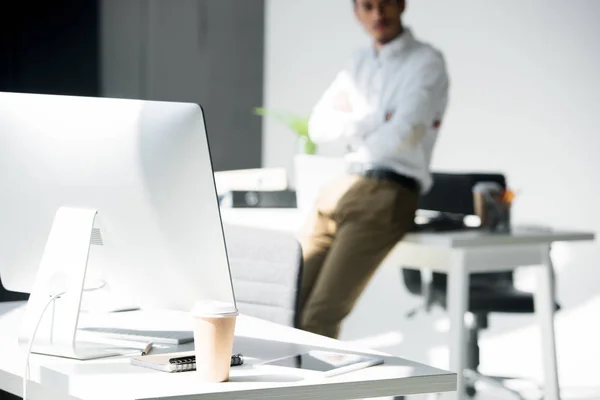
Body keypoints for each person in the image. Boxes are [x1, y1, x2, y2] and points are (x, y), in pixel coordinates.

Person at [298, 0, 449, 339]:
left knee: (318, 316)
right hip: (341, 185)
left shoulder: (426, 62)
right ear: (357, 13)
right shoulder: (358, 63)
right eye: (368, 6)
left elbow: (401, 136)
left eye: (385, 4)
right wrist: (378, 118)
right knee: (283, 303)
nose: (378, 14)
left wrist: (353, 124)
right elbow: (319, 126)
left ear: (401, 5)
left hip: (387, 192)